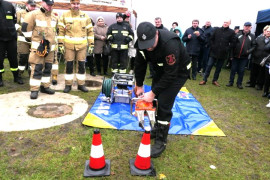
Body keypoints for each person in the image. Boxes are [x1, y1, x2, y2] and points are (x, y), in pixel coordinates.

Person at [134, 22, 191, 158]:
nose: (148, 47)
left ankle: (161, 141)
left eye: (150, 44)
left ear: (157, 34)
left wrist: (153, 92)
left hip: (178, 72)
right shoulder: (142, 43)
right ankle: (157, 129)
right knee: (156, 99)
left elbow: (171, 74)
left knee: (164, 102)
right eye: (145, 45)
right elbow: (139, 64)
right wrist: (140, 85)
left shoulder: (170, 44)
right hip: (160, 69)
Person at [22, 0, 58, 99]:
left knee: (48, 68)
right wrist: (36, 42)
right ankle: (34, 89)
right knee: (37, 68)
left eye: (51, 4)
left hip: (50, 50)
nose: (50, 6)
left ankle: (45, 87)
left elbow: (55, 32)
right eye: (48, 4)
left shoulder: (54, 17)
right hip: (38, 49)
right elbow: (25, 30)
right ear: (42, 2)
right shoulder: (33, 15)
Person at [58, 0, 94, 93]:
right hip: (69, 46)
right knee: (69, 65)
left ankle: (81, 84)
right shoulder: (64, 15)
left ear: (80, 4)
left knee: (81, 65)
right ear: (70, 4)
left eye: (78, 4)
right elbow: (61, 31)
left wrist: (91, 44)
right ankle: (68, 85)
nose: (76, 5)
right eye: (74, 4)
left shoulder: (85, 16)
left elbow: (90, 31)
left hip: (82, 46)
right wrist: (60, 44)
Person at [199, 19, 236, 87]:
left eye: (227, 22)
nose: (225, 23)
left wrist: (227, 49)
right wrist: (212, 46)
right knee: (209, 66)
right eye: (224, 22)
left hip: (223, 53)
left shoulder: (231, 32)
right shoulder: (217, 30)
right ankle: (204, 79)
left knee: (218, 68)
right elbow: (211, 39)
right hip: (213, 52)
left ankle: (215, 80)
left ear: (229, 24)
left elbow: (233, 42)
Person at [0, 0, 23, 87]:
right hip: (0, 40)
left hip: (11, 38)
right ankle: (0, 79)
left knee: (13, 58)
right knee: (0, 60)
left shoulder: (9, 5)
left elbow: (14, 20)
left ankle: (16, 77)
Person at [226, 22, 256, 89]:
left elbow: (254, 46)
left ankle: (239, 83)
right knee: (233, 69)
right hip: (235, 56)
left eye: (248, 26)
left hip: (244, 57)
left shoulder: (252, 36)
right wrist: (231, 55)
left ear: (251, 27)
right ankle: (231, 82)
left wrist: (248, 51)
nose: (247, 27)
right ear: (243, 26)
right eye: (246, 26)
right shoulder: (237, 34)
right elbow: (232, 46)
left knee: (241, 70)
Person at [16, 0, 36, 81]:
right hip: (23, 39)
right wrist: (23, 32)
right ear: (27, 5)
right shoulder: (20, 13)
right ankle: (19, 74)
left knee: (33, 58)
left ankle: (31, 74)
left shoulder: (36, 14)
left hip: (33, 39)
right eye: (32, 6)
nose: (33, 7)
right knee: (22, 57)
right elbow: (16, 24)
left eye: (34, 6)